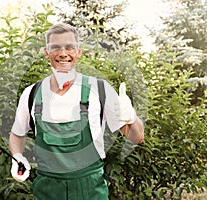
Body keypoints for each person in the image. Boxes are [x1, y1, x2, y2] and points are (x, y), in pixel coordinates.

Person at [9, 23, 144, 200]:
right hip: (47, 190)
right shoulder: (31, 94)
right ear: (46, 52)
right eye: (55, 47)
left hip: (90, 191)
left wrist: (131, 118)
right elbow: (17, 134)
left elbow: (137, 137)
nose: (63, 53)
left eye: (69, 47)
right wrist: (17, 156)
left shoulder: (100, 90)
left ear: (78, 51)